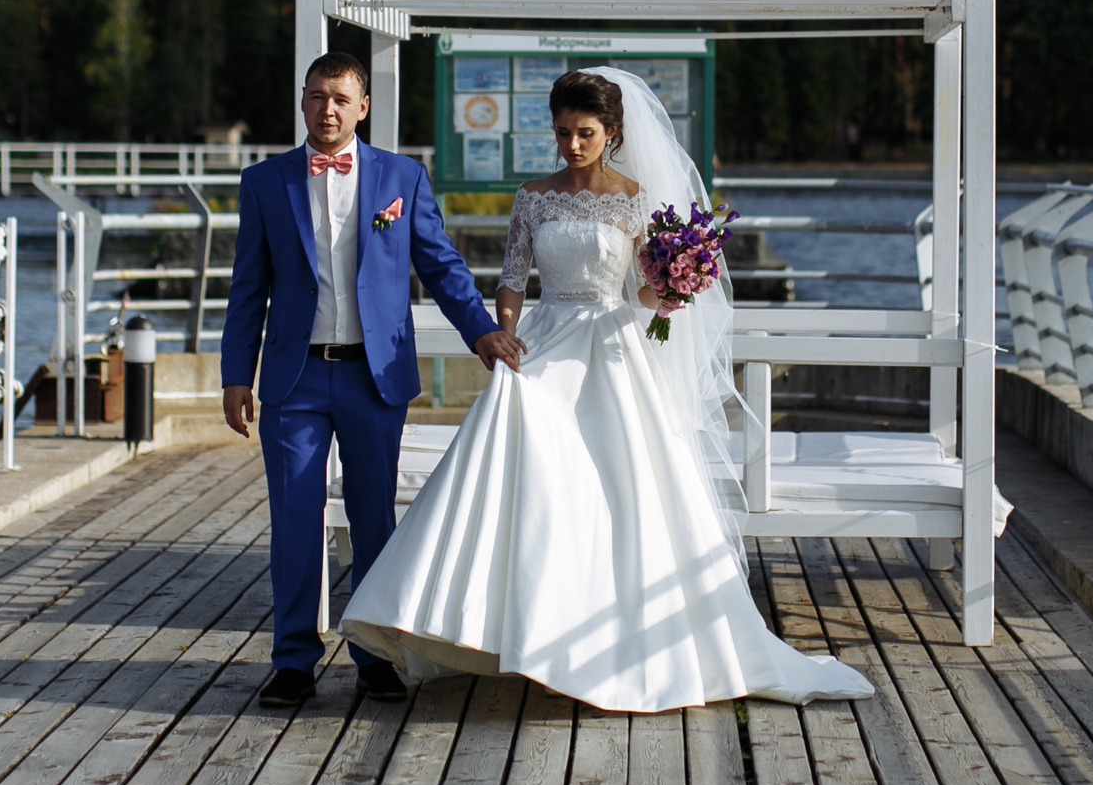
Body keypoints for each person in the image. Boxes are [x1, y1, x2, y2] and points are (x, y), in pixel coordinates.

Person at [343, 67, 871, 711]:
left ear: (611, 132)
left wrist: (677, 283)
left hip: (615, 349)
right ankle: (516, 632)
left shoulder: (636, 198)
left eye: (584, 133)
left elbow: (646, 292)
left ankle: (617, 643)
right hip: (545, 342)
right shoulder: (533, 196)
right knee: (531, 473)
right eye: (563, 132)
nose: (571, 144)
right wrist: (502, 334)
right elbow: (513, 278)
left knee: (625, 489)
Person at [221, 53, 524, 709]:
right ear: (302, 103)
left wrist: (482, 333)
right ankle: (294, 659)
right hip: (293, 382)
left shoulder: (401, 178)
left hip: (374, 377)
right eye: (315, 96)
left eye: (339, 98)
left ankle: (374, 655)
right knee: (295, 519)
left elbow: (441, 268)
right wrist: (234, 374)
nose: (326, 109)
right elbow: (247, 289)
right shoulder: (264, 182)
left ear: (362, 106)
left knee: (373, 520)